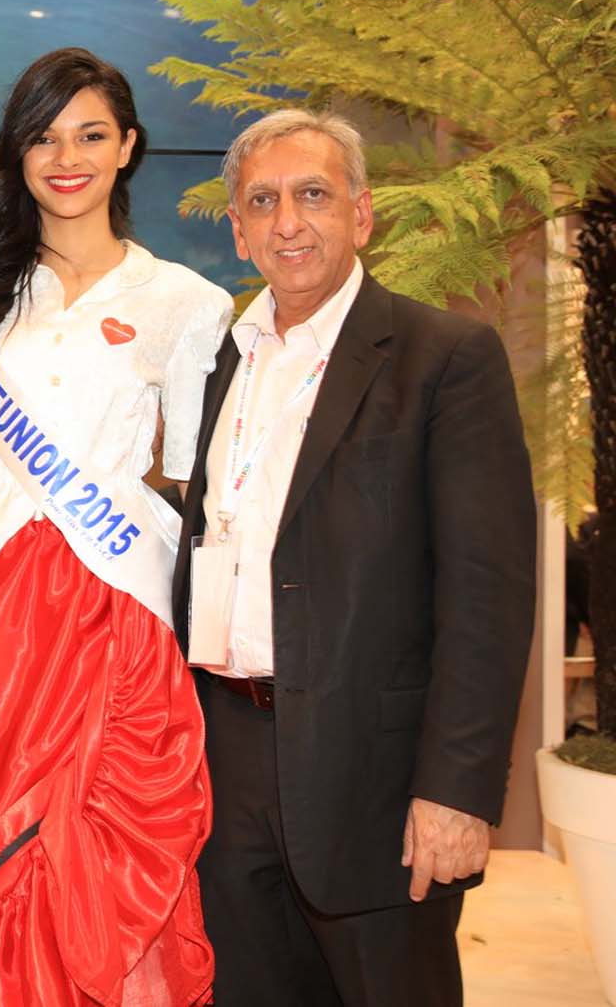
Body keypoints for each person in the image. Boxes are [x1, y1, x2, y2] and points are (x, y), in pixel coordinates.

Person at [0, 47, 230, 1006]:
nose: (65, 157)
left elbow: (201, 482)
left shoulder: (188, 305)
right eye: (43, 136)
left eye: (90, 134)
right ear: (17, 154)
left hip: (114, 617)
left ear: (128, 148)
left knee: (98, 830)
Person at [171, 109, 536, 1007]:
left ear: (362, 216)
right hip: (225, 754)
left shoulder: (442, 357)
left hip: (377, 779)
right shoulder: (218, 360)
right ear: (239, 228)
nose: (288, 221)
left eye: (312, 195)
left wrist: (457, 790)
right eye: (263, 201)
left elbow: (486, 597)